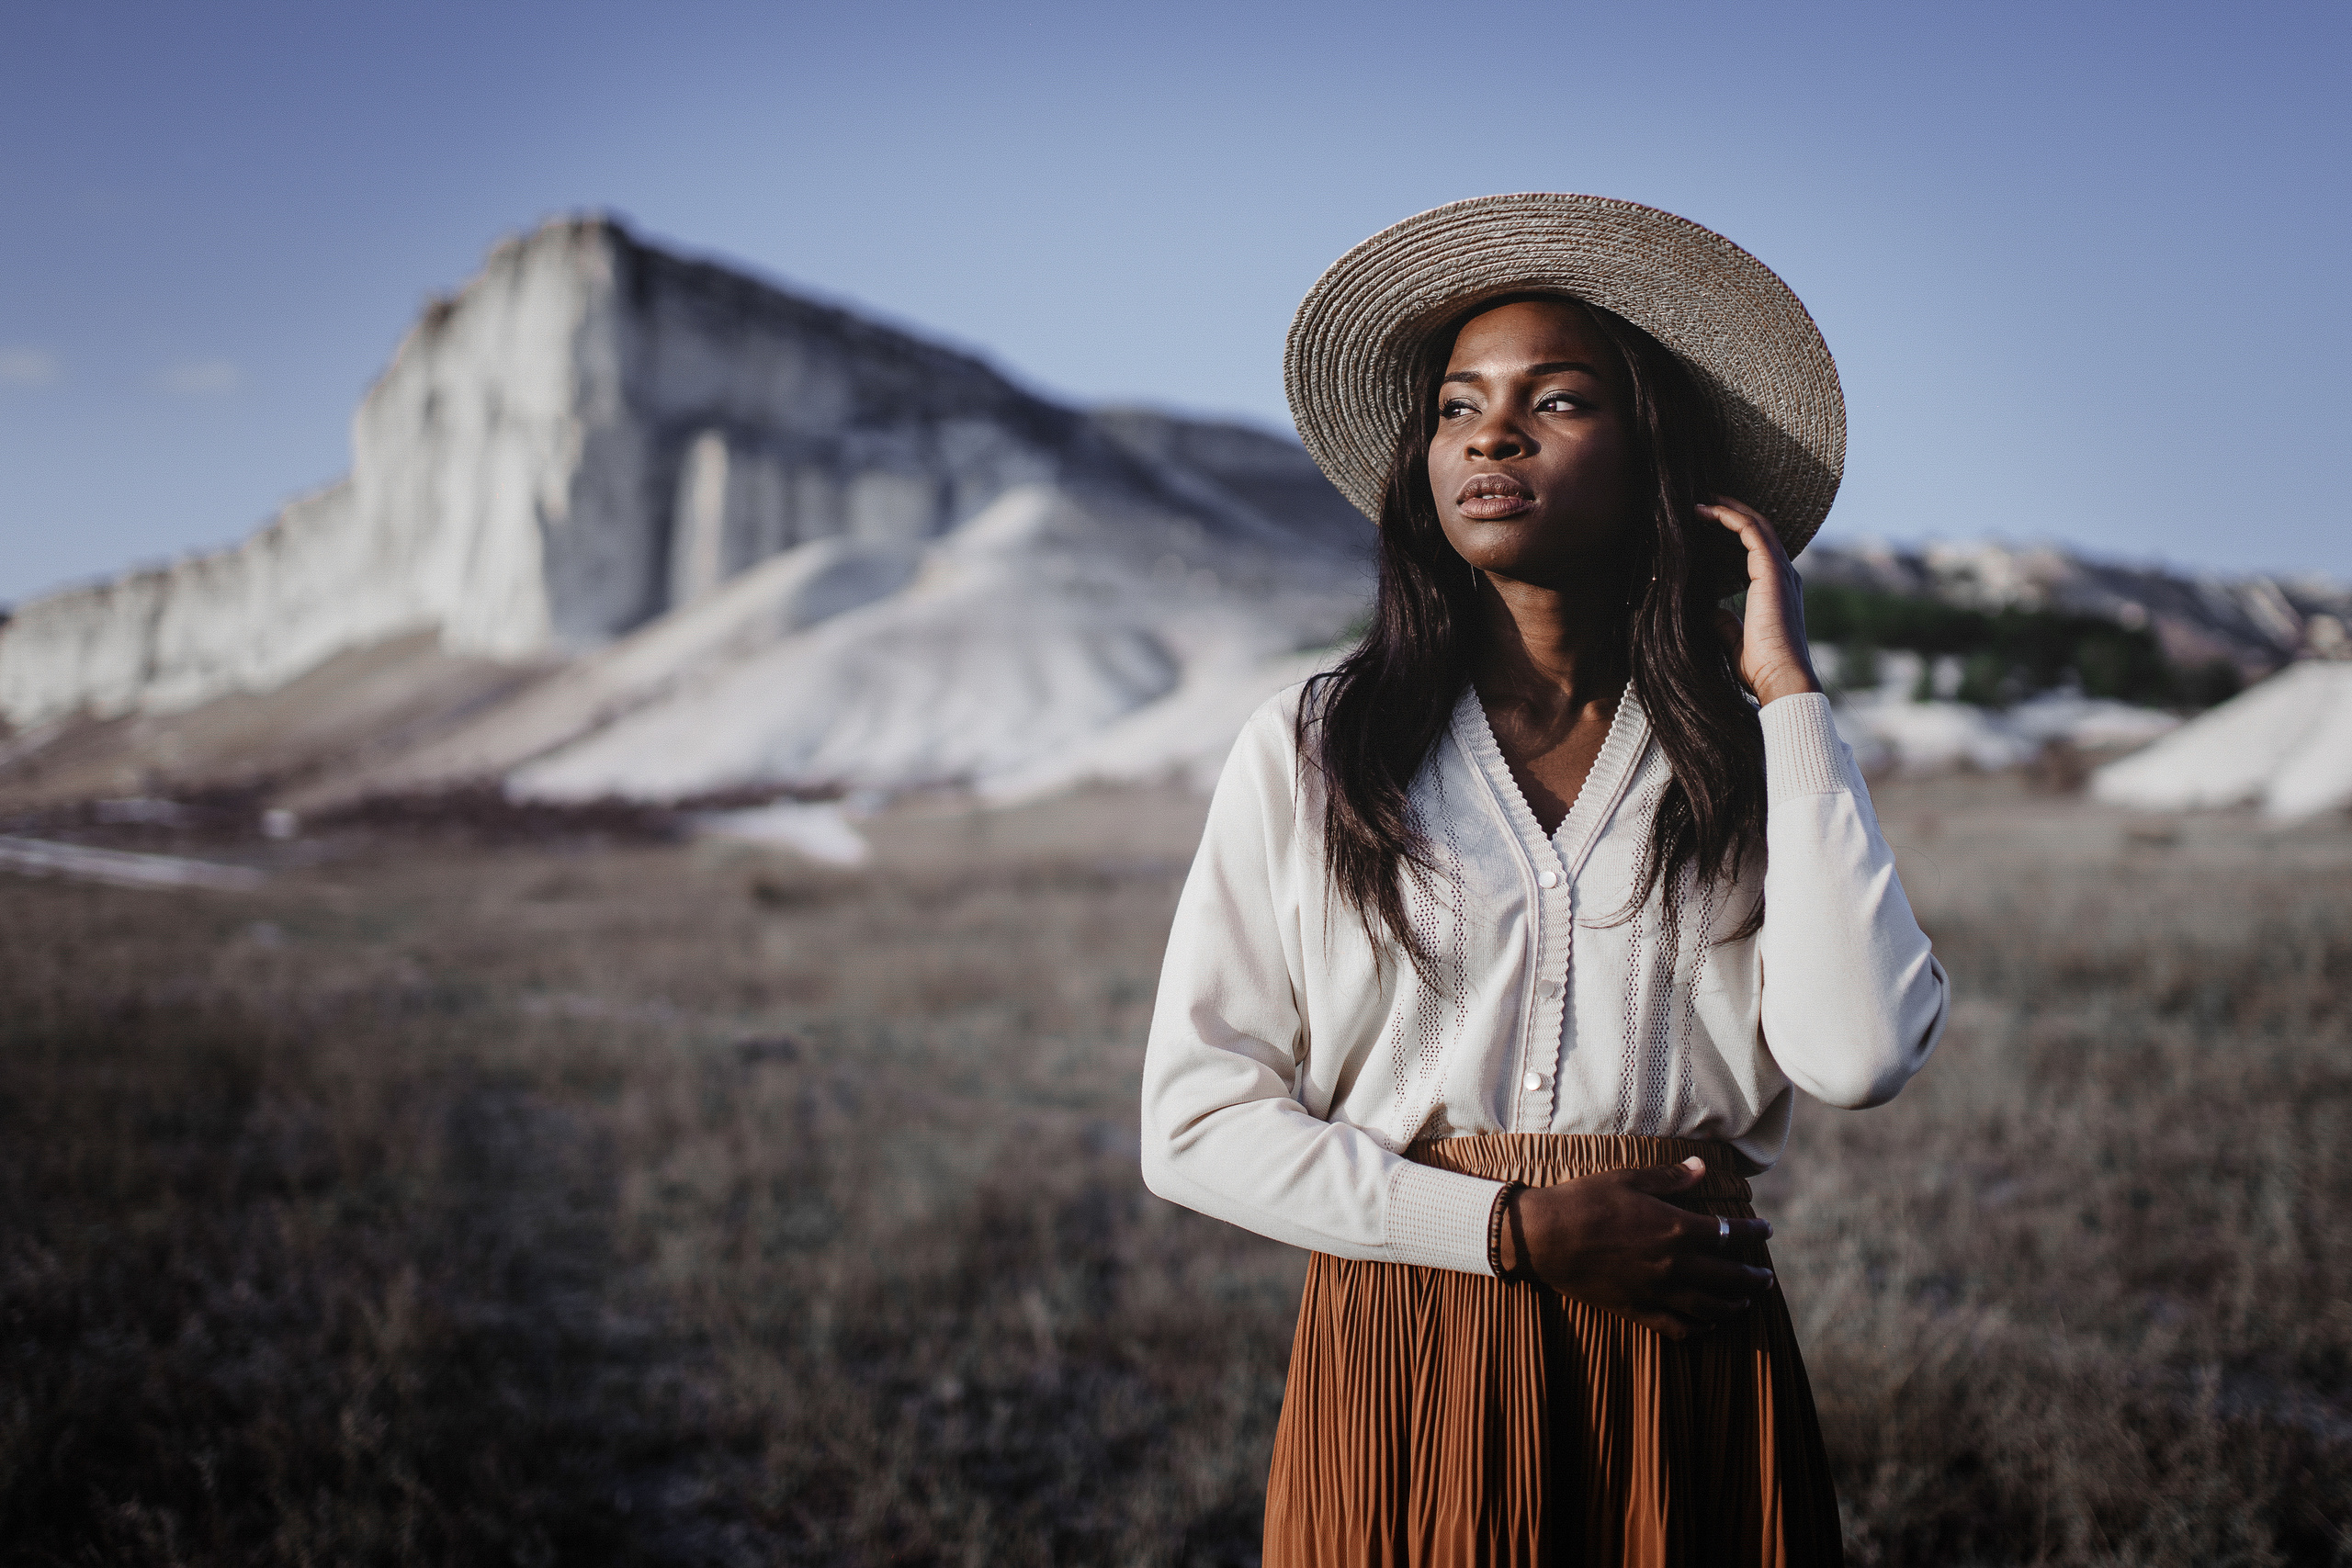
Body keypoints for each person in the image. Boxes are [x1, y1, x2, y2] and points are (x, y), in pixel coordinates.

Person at [1139, 194, 1949, 1567]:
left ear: (1660, 465)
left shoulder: (1755, 761)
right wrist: (1504, 1229)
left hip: (1682, 1352)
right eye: (1459, 406)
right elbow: (1194, 1124)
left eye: (1556, 401)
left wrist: (1789, 696)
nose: (1491, 434)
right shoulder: (1315, 744)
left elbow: (1860, 1053)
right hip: (1410, 1339)